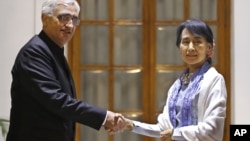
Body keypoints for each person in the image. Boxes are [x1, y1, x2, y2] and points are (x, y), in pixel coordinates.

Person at [6, 0, 124, 141]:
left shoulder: (53, 51)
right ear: (45, 19)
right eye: (63, 17)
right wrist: (104, 117)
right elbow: (57, 100)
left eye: (74, 19)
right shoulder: (33, 52)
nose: (69, 25)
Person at [109, 19, 227, 141]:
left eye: (197, 42)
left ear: (209, 47)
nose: (191, 48)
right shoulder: (177, 85)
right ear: (179, 47)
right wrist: (131, 125)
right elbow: (163, 129)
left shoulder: (214, 80)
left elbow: (213, 129)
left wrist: (176, 133)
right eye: (186, 42)